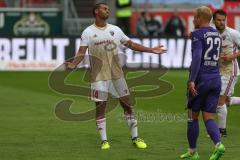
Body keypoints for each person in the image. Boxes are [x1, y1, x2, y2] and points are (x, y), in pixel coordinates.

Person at [65, 3, 167, 150]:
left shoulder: (115, 30)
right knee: (100, 108)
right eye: (104, 8)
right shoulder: (88, 32)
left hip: (117, 75)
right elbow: (81, 52)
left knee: (128, 105)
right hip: (98, 76)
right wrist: (74, 64)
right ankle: (104, 141)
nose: (107, 10)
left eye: (108, 8)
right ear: (96, 11)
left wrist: (151, 50)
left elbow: (131, 44)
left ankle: (135, 138)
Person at [180, 6, 225, 160]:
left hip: (201, 79)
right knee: (209, 116)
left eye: (194, 17)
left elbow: (198, 57)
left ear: (199, 18)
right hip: (216, 78)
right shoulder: (217, 34)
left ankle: (193, 152)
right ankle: (218, 144)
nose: (193, 19)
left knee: (193, 116)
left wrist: (192, 80)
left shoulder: (197, 34)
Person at [212, 9, 240, 137]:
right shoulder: (212, 33)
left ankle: (221, 131)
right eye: (219, 20)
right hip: (218, 71)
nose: (222, 22)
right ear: (214, 20)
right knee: (226, 100)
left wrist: (232, 56)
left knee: (219, 101)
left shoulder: (233, 33)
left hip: (230, 71)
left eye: (223, 20)